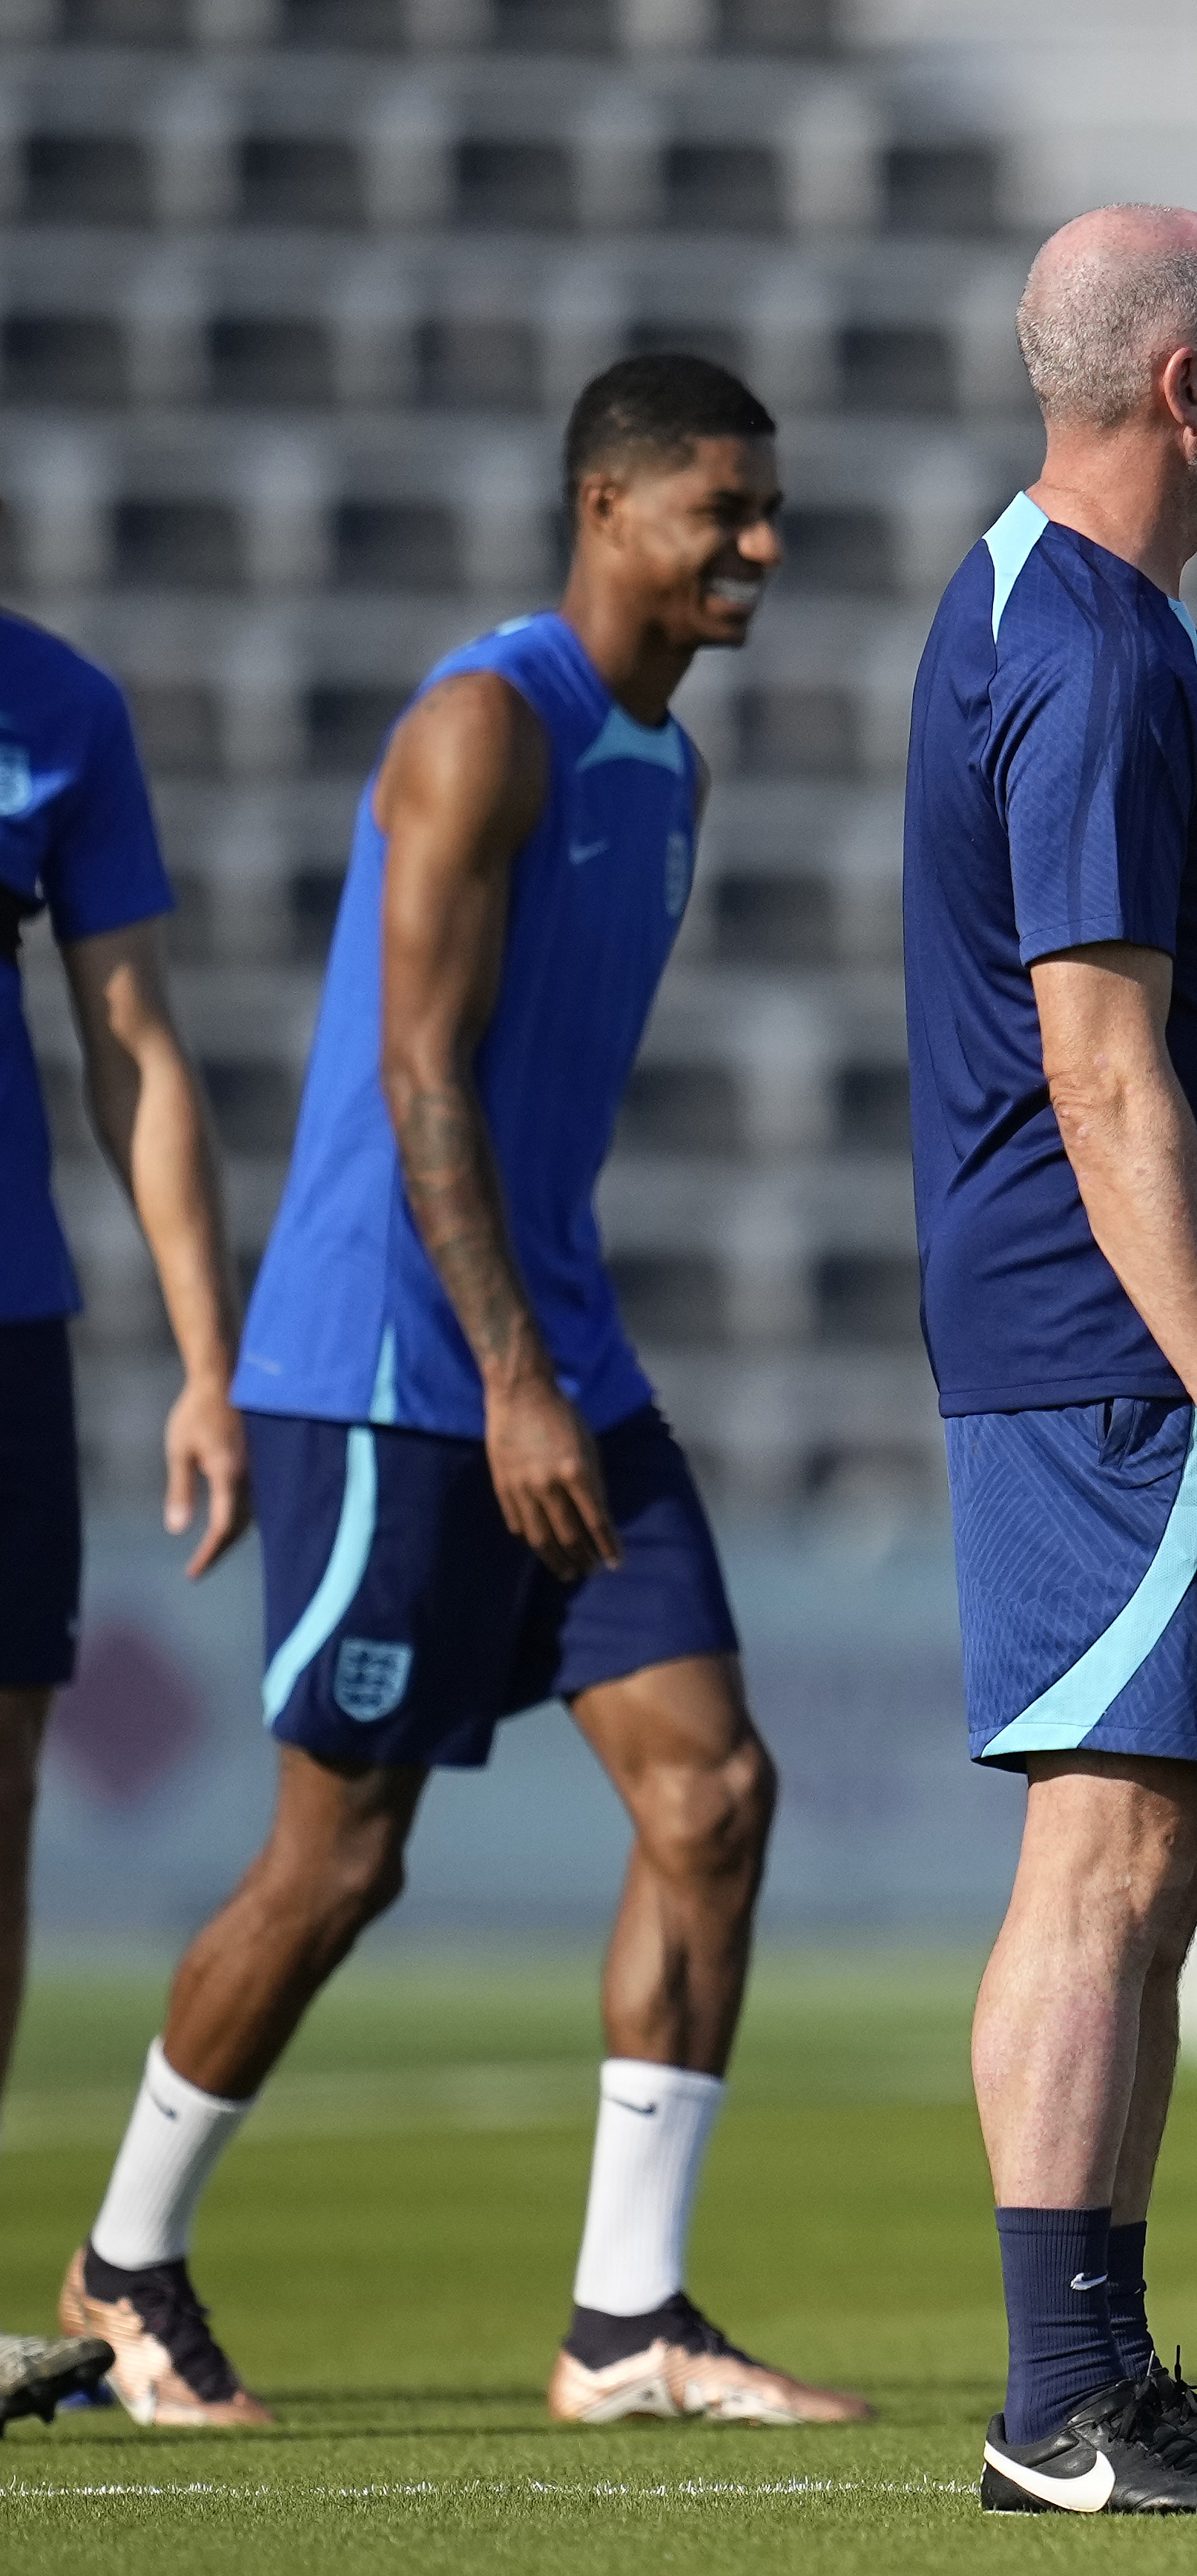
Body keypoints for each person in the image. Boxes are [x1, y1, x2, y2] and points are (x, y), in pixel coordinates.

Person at [56, 357, 865, 2434]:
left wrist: (549, 1366)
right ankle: (125, 2263)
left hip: (554, 1355)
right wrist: (509, 1378)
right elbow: (421, 1073)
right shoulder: (479, 729)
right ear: (606, 511)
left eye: (770, 507)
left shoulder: (662, 766)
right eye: (723, 508)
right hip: (399, 1375)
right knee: (341, 1863)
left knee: (716, 1795)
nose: (761, 543)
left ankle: (626, 2324)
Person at [909, 205, 1197, 2517]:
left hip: (1108, 1346)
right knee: (1112, 1843)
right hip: (1112, 1353)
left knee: (1145, 1842)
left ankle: (1090, 2369)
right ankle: (1062, 2397)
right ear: (1183, 388)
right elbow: (1104, 1067)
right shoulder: (1088, 650)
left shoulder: (1076, 616)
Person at [0, 579, 248, 2431]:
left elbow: (137, 1043)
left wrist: (204, 1355)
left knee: (0, 1786)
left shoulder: (56, 707)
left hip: (8, 1316)